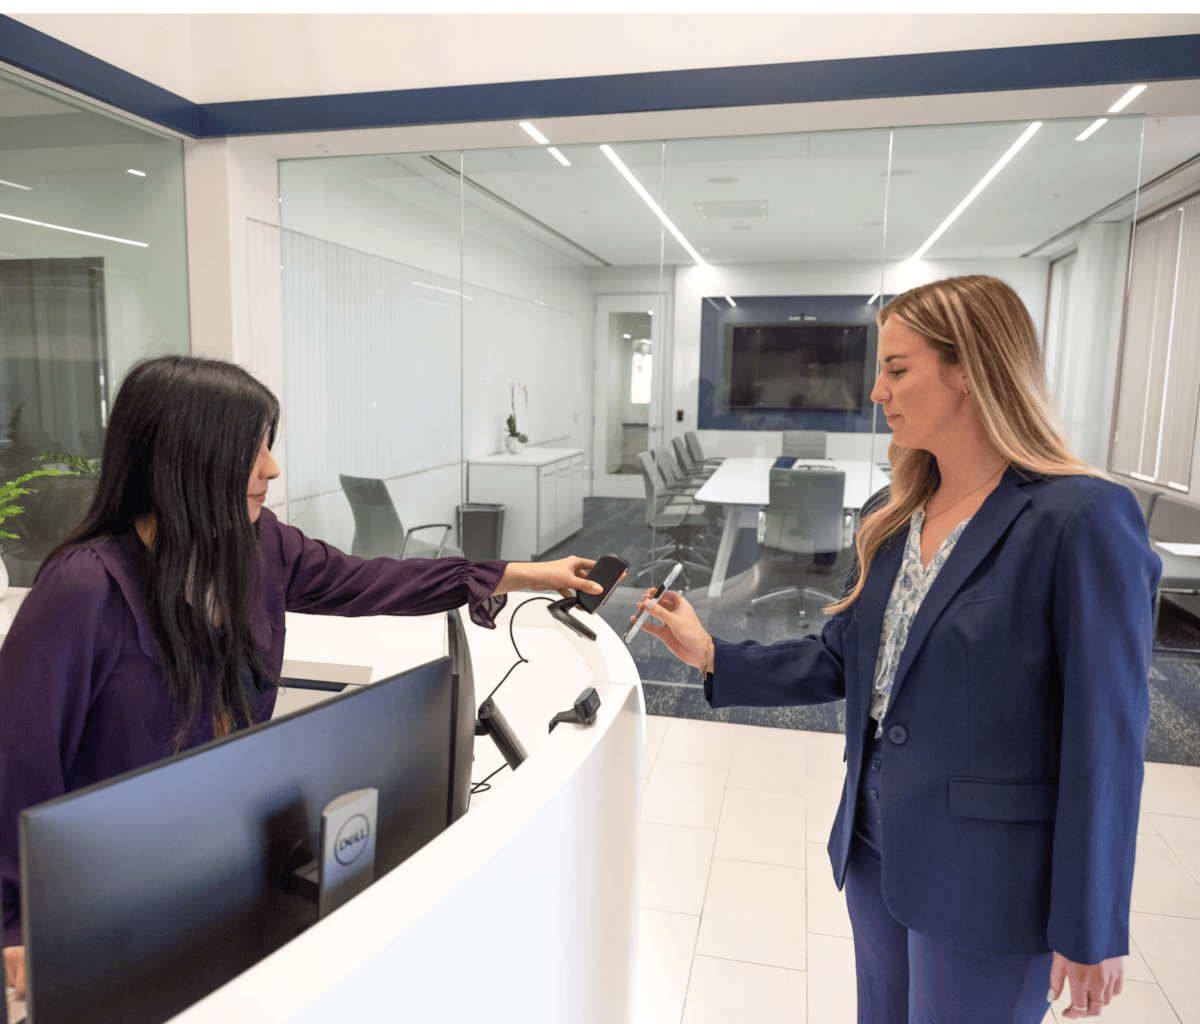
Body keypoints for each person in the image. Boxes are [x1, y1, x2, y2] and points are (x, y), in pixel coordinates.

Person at [635, 276, 1160, 1023]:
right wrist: (714, 654)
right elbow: (848, 658)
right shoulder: (898, 512)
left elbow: (1106, 739)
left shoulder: (1079, 519)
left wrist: (1092, 920)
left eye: (898, 368)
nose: (876, 391)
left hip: (992, 879)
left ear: (971, 370)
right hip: (879, 845)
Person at [1, 356, 603, 1002]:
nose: (272, 467)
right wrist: (16, 927)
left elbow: (373, 580)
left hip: (213, 883)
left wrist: (519, 574)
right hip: (107, 915)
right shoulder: (85, 589)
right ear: (188, 455)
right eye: (252, 448)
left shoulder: (260, 547)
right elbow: (15, 764)